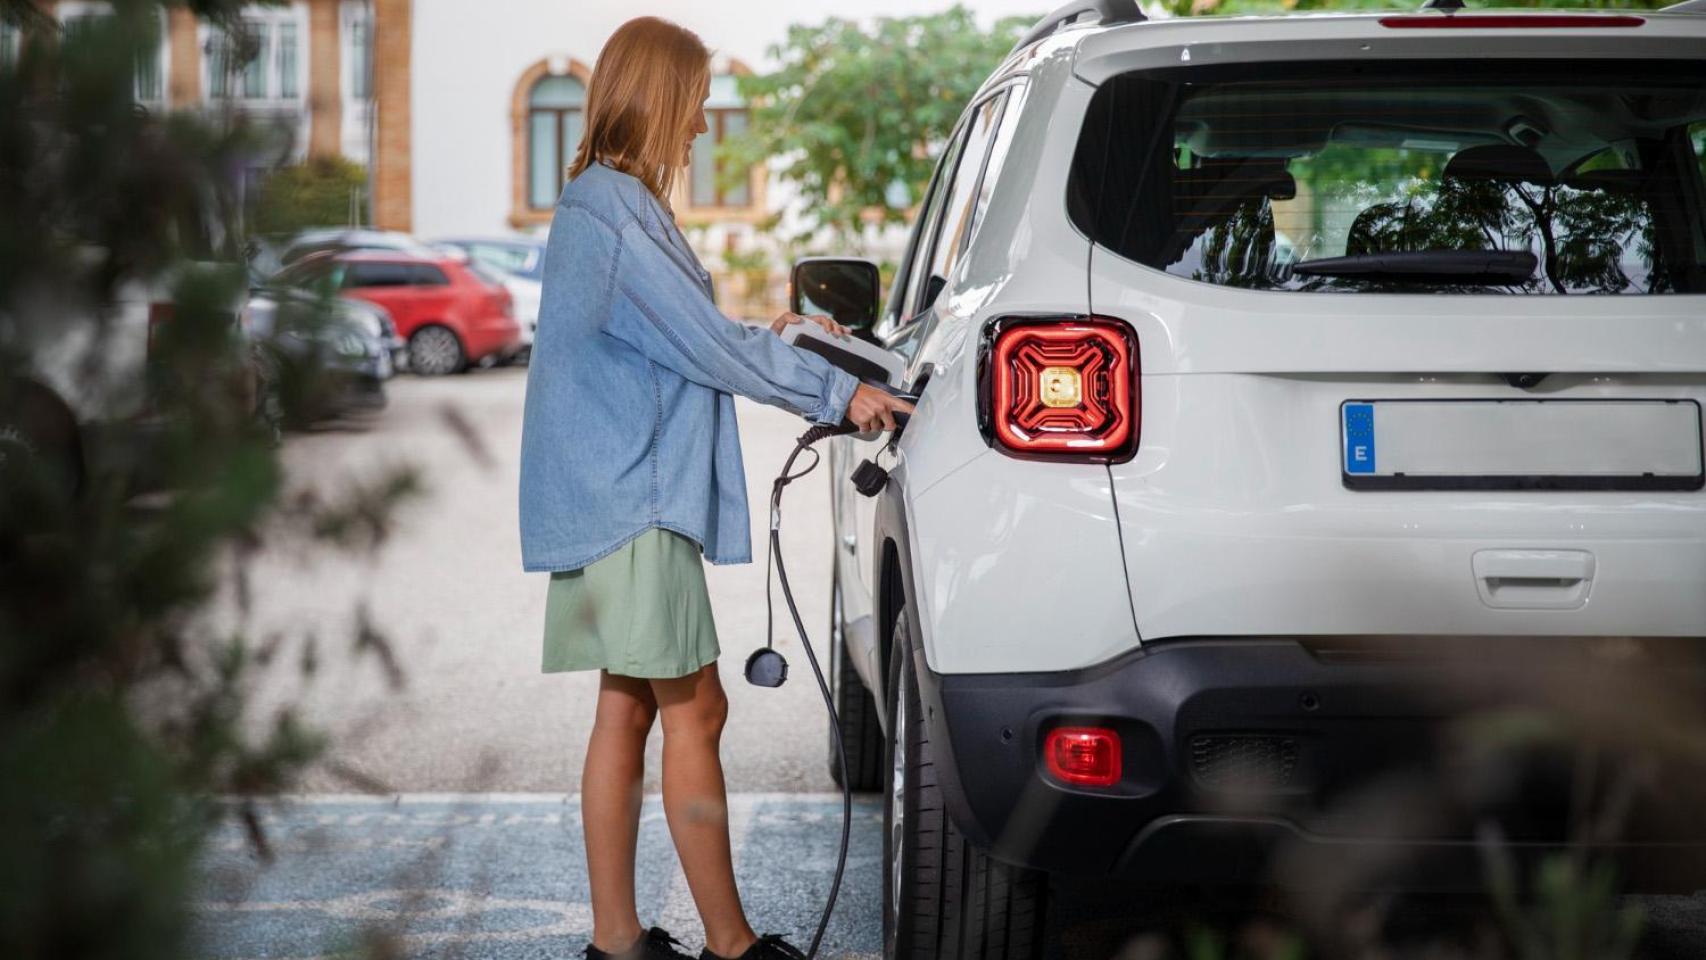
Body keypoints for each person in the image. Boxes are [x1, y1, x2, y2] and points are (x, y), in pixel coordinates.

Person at [517, 16, 914, 960]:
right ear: (657, 97)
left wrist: (770, 334)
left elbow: (679, 331)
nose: (699, 126)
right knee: (697, 708)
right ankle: (731, 947)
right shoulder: (616, 211)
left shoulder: (600, 203)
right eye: (694, 105)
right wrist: (838, 389)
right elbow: (700, 348)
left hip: (610, 498)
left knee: (629, 705)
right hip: (634, 504)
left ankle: (618, 942)